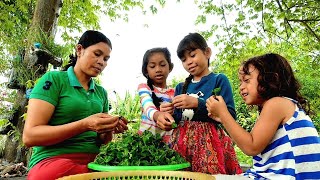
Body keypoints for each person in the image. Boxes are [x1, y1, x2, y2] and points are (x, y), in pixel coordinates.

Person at [22, 30, 128, 180]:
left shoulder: (101, 93)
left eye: (106, 59)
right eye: (97, 54)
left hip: (95, 162)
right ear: (79, 50)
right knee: (55, 173)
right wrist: (84, 125)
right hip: (54, 160)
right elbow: (30, 136)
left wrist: (110, 128)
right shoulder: (54, 80)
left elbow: (103, 141)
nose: (101, 62)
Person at [206, 53, 320, 179]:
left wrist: (224, 114)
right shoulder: (283, 105)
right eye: (240, 82)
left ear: (269, 79)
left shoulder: (276, 104)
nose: (241, 87)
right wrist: (223, 118)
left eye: (247, 80)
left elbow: (251, 147)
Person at [167, 32, 242, 174]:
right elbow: (177, 120)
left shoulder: (219, 80)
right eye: (184, 59)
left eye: (192, 55)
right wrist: (169, 114)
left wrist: (197, 103)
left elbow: (230, 115)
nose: (188, 61)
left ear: (207, 52)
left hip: (211, 146)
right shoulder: (180, 87)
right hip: (182, 146)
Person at [137, 47, 175, 143]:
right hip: (146, 144)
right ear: (146, 71)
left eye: (162, 65)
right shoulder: (145, 88)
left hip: (168, 145)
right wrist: (158, 115)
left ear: (170, 67)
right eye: (152, 66)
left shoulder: (175, 93)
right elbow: (147, 106)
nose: (158, 69)